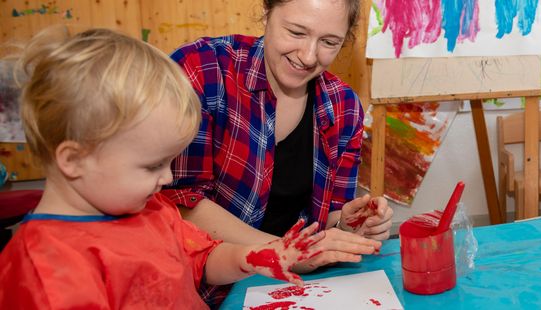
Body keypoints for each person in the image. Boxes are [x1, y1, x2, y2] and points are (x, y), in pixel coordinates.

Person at [0, 27, 325, 309]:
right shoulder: (44, 266)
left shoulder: (153, 210)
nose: (168, 178)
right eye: (152, 165)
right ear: (73, 160)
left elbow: (203, 259)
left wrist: (251, 256)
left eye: (169, 161)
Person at [165, 0, 394, 275]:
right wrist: (287, 253)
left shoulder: (344, 106)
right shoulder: (202, 69)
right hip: (204, 284)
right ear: (267, 13)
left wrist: (348, 226)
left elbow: (332, 212)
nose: (309, 56)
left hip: (297, 284)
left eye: (329, 42)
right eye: (296, 33)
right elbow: (180, 204)